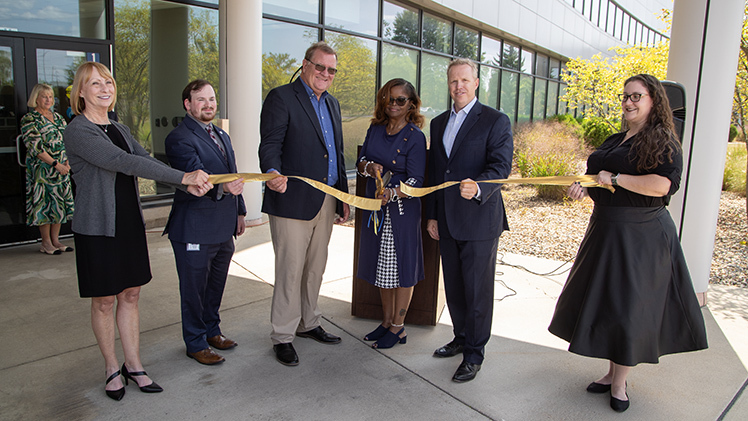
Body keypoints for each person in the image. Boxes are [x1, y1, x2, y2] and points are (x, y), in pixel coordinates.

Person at [548, 74, 708, 413]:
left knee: (629, 309)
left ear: (653, 101)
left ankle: (620, 383)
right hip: (605, 232)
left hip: (641, 236)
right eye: (625, 96)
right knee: (609, 305)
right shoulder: (616, 139)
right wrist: (583, 187)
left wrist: (617, 178)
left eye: (636, 96)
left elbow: (661, 186)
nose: (629, 102)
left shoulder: (663, 140)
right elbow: (598, 182)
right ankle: (610, 373)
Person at [63, 62, 212, 401]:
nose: (105, 88)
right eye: (95, 83)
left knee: (131, 295)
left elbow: (147, 159)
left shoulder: (120, 127)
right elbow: (124, 162)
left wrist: (186, 184)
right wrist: (184, 178)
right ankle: (111, 368)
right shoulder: (78, 130)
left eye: (109, 81)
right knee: (103, 300)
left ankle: (134, 363)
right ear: (81, 92)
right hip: (98, 227)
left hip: (129, 222)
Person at [259, 41, 350, 366]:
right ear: (305, 64)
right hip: (291, 200)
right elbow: (270, 144)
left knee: (315, 268)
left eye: (331, 70)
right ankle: (282, 335)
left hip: (326, 199)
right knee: (290, 269)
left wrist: (341, 196)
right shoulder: (282, 97)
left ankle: (308, 322)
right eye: (320, 66)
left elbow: (336, 152)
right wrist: (271, 172)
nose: (325, 74)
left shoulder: (333, 104)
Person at [425, 58, 513, 383]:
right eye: (453, 81)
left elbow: (501, 167)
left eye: (464, 80)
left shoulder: (495, 120)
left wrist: (479, 187)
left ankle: (475, 354)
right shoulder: (437, 123)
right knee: (456, 288)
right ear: (448, 85)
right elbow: (437, 173)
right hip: (447, 220)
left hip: (479, 221)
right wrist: (433, 215)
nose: (458, 86)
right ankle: (460, 338)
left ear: (476, 83)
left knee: (477, 292)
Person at [164, 79, 247, 366]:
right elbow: (194, 177)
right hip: (194, 227)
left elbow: (232, 173)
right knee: (194, 289)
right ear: (188, 104)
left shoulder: (221, 135)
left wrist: (240, 211)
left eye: (212, 99)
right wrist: (225, 190)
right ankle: (195, 342)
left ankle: (212, 331)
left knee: (215, 286)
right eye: (201, 100)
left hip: (223, 226)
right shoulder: (179, 138)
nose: (209, 104)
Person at [356, 78, 426, 349]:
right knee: (382, 268)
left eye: (400, 100)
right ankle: (386, 322)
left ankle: (398, 328)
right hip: (376, 210)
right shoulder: (375, 129)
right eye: (389, 98)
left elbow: (417, 179)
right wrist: (369, 167)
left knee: (401, 269)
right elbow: (360, 162)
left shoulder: (415, 137)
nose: (393, 104)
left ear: (411, 104)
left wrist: (393, 192)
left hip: (401, 211)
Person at [21, 83, 74, 255]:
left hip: (62, 169)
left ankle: (56, 241)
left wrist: (66, 163)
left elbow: (67, 141)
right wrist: (55, 164)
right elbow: (35, 148)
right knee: (45, 205)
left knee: (58, 204)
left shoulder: (58, 117)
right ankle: (46, 243)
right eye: (44, 96)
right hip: (43, 170)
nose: (48, 100)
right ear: (36, 98)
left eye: (51, 97)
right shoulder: (30, 119)